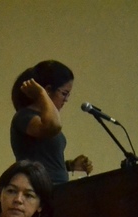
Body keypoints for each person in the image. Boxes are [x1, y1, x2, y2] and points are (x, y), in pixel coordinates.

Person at [10, 60, 92, 188]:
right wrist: (42, 94)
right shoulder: (24, 116)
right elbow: (53, 126)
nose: (66, 100)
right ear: (48, 90)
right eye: (64, 94)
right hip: (40, 191)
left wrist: (70, 166)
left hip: (58, 190)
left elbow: (43, 162)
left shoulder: (40, 119)